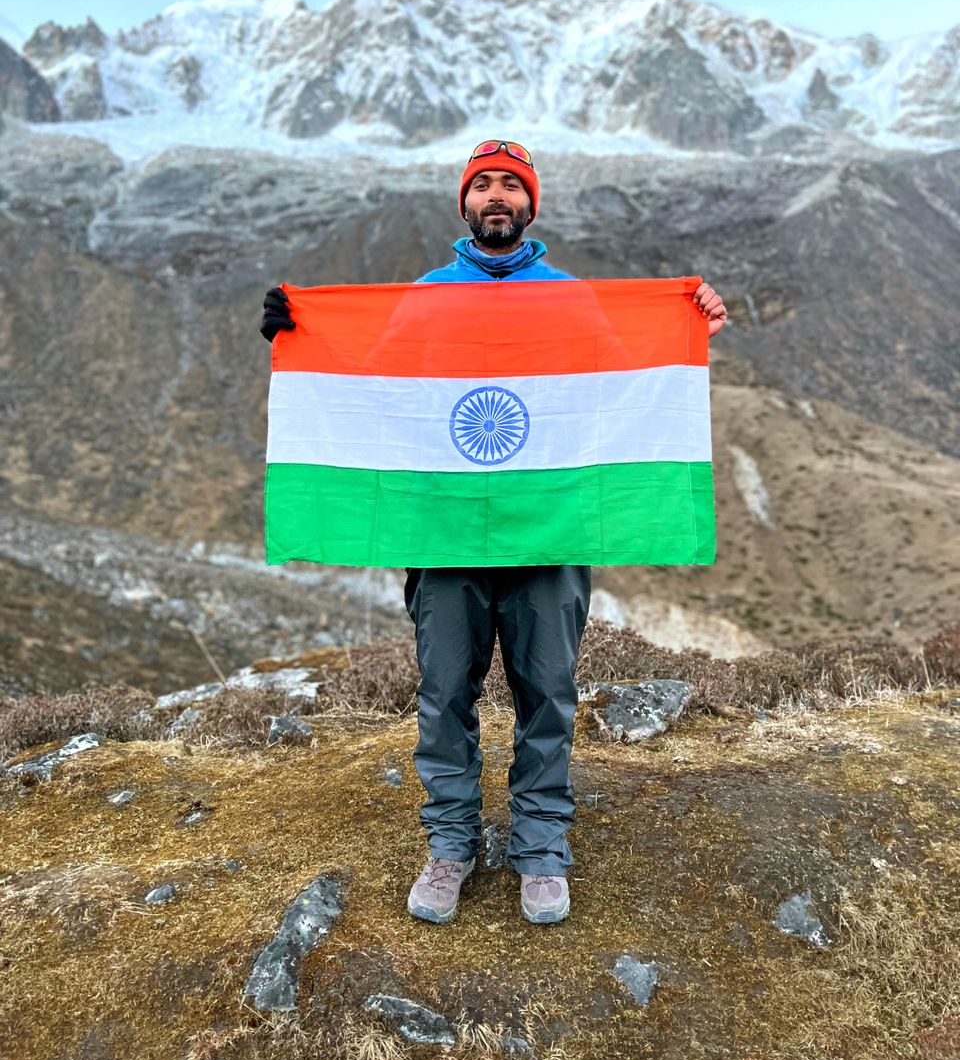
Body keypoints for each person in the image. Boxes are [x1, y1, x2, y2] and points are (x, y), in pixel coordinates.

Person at [260, 139, 728, 926]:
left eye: (512, 185)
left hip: (549, 533)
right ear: (466, 205)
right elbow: (373, 388)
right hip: (444, 534)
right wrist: (295, 337)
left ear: (530, 204)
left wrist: (687, 333)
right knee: (446, 692)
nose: (498, 197)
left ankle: (540, 850)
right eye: (484, 186)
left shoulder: (570, 298)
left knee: (546, 692)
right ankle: (451, 844)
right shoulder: (428, 296)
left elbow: (621, 391)